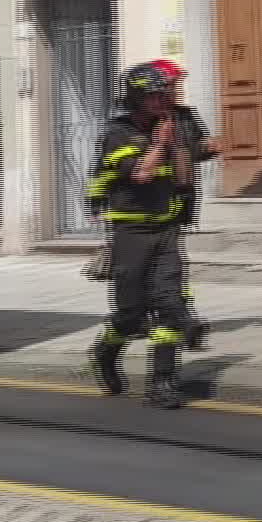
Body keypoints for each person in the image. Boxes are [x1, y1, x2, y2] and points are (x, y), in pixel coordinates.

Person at [88, 62, 196, 409]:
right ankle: (105, 354)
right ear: (136, 98)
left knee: (171, 305)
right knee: (130, 315)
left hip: (166, 228)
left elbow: (181, 178)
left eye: (164, 93)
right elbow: (141, 175)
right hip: (131, 231)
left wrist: (184, 147)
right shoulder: (116, 133)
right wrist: (160, 145)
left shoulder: (170, 126)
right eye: (153, 96)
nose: (162, 100)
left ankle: (162, 382)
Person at [151, 58, 218, 351]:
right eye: (172, 85)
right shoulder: (142, 118)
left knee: (172, 260)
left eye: (178, 85)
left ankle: (175, 312)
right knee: (163, 262)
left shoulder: (186, 115)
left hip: (180, 195)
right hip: (149, 201)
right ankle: (172, 313)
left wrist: (210, 148)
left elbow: (197, 149)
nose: (177, 90)